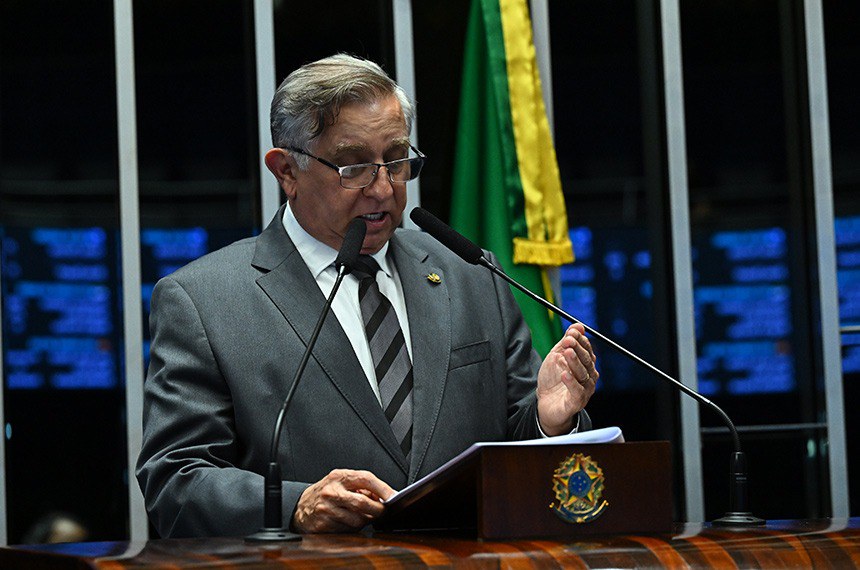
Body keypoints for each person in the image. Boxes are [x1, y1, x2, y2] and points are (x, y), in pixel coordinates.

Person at [136, 53, 599, 537]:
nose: (382, 189)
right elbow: (174, 481)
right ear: (286, 171)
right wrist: (296, 505)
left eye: (396, 160)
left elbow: (513, 441)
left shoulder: (469, 273)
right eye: (353, 166)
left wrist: (549, 422)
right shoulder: (205, 301)